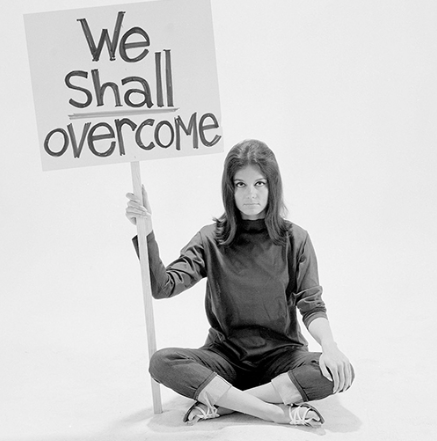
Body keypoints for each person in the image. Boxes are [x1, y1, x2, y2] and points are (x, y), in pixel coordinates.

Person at [125, 139, 354, 427]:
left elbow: (312, 305)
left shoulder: (296, 239)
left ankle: (224, 404)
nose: (251, 194)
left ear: (272, 186)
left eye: (259, 183)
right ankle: (274, 411)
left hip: (282, 358)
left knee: (336, 372)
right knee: (162, 362)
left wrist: (330, 347)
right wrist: (145, 232)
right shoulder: (211, 239)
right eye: (241, 184)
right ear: (229, 188)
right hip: (225, 360)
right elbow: (163, 287)